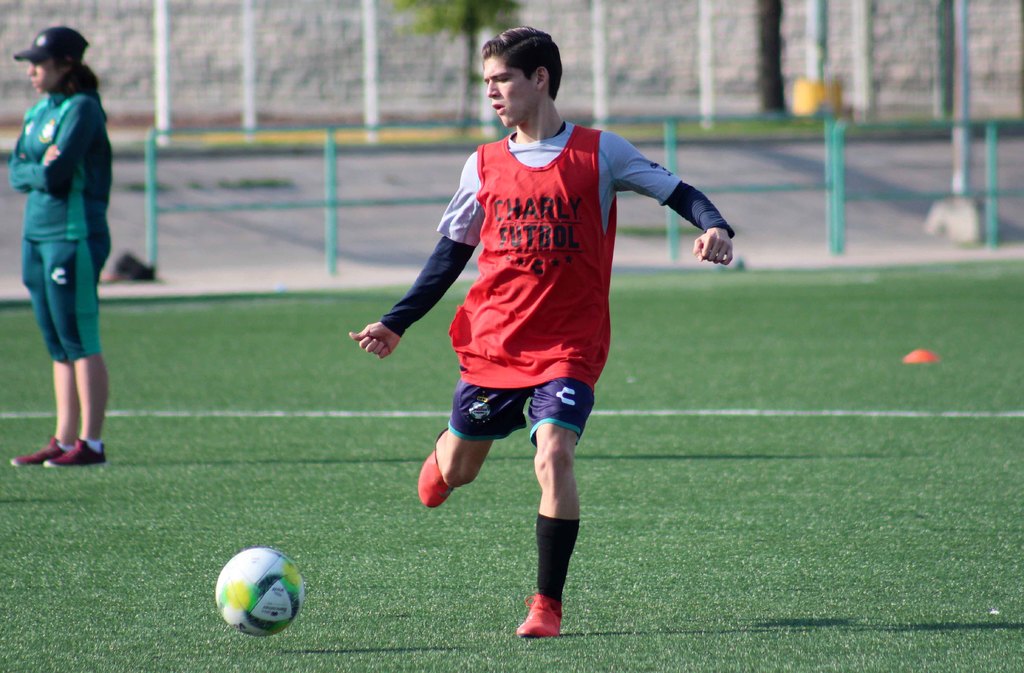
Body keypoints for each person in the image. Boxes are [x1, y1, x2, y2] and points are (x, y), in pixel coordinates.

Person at [350, 26, 734, 637]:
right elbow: (450, 254)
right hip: (496, 342)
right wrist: (397, 321)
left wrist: (715, 227)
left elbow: (678, 190)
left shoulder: (601, 152)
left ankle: (546, 606)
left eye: (502, 79)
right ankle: (445, 459)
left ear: (540, 79)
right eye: (487, 82)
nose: (491, 92)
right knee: (460, 470)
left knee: (554, 453)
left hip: (570, 347)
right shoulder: (482, 164)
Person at [9, 26, 112, 468]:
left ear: (66, 64)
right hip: (37, 234)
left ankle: (91, 443)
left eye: (40, 63)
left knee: (79, 335)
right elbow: (16, 170)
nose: (32, 72)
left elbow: (57, 173)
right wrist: (37, 167)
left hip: (73, 234)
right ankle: (64, 437)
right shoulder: (39, 112)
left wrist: (39, 168)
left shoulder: (82, 108)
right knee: (55, 339)